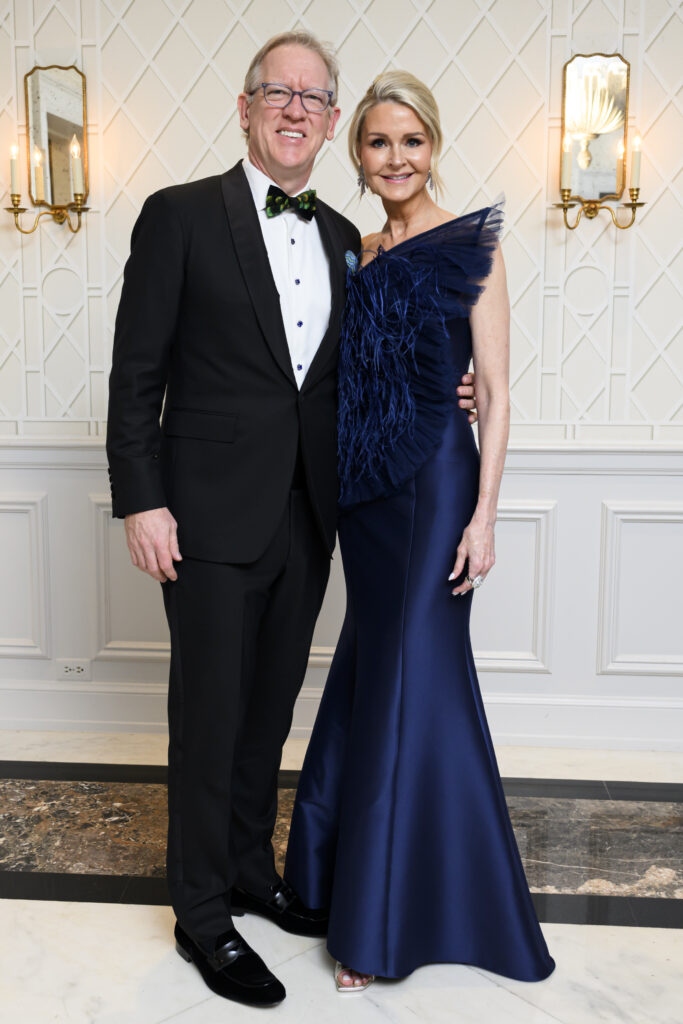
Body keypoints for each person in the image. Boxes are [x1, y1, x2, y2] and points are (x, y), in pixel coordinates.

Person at [106, 34, 478, 1008]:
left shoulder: (342, 240)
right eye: (280, 91)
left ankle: (246, 871)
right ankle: (200, 916)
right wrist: (141, 497)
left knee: (266, 715)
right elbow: (135, 371)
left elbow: (367, 369)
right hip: (204, 518)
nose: (296, 109)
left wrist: (453, 383)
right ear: (245, 106)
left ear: (330, 120)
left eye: (315, 97)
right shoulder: (179, 215)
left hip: (311, 517)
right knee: (208, 715)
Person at [284, 71, 556, 991]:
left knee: (409, 684)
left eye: (410, 141)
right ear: (354, 154)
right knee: (371, 673)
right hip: (365, 496)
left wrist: (482, 516)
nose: (394, 158)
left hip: (437, 486)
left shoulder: (471, 244)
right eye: (376, 143)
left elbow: (500, 393)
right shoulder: (355, 250)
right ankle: (333, 883)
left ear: (431, 146)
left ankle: (381, 923)